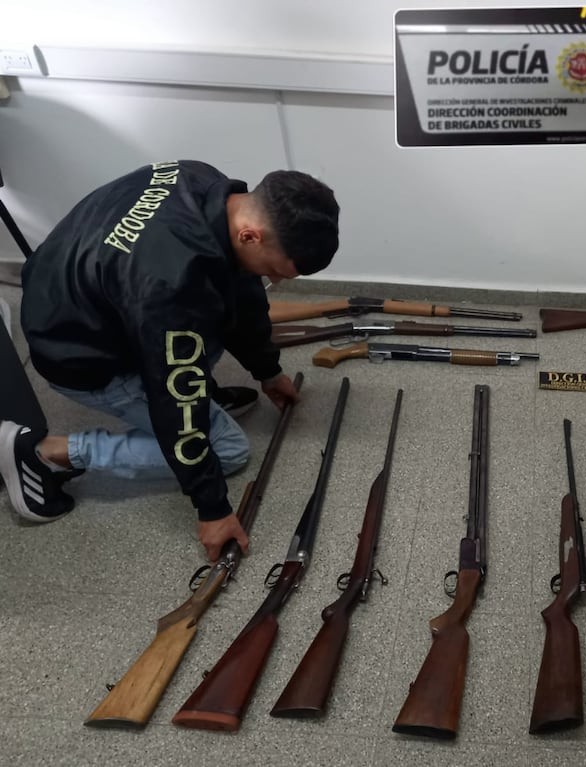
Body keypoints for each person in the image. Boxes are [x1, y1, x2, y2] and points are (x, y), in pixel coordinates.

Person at [0, 160, 340, 561]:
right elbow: (174, 391)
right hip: (77, 354)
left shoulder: (204, 181)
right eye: (275, 270)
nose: (277, 281)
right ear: (250, 235)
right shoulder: (172, 283)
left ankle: (204, 401)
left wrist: (267, 370)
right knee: (228, 450)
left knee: (213, 308)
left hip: (73, 296)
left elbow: (242, 293)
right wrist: (212, 509)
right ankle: (44, 452)